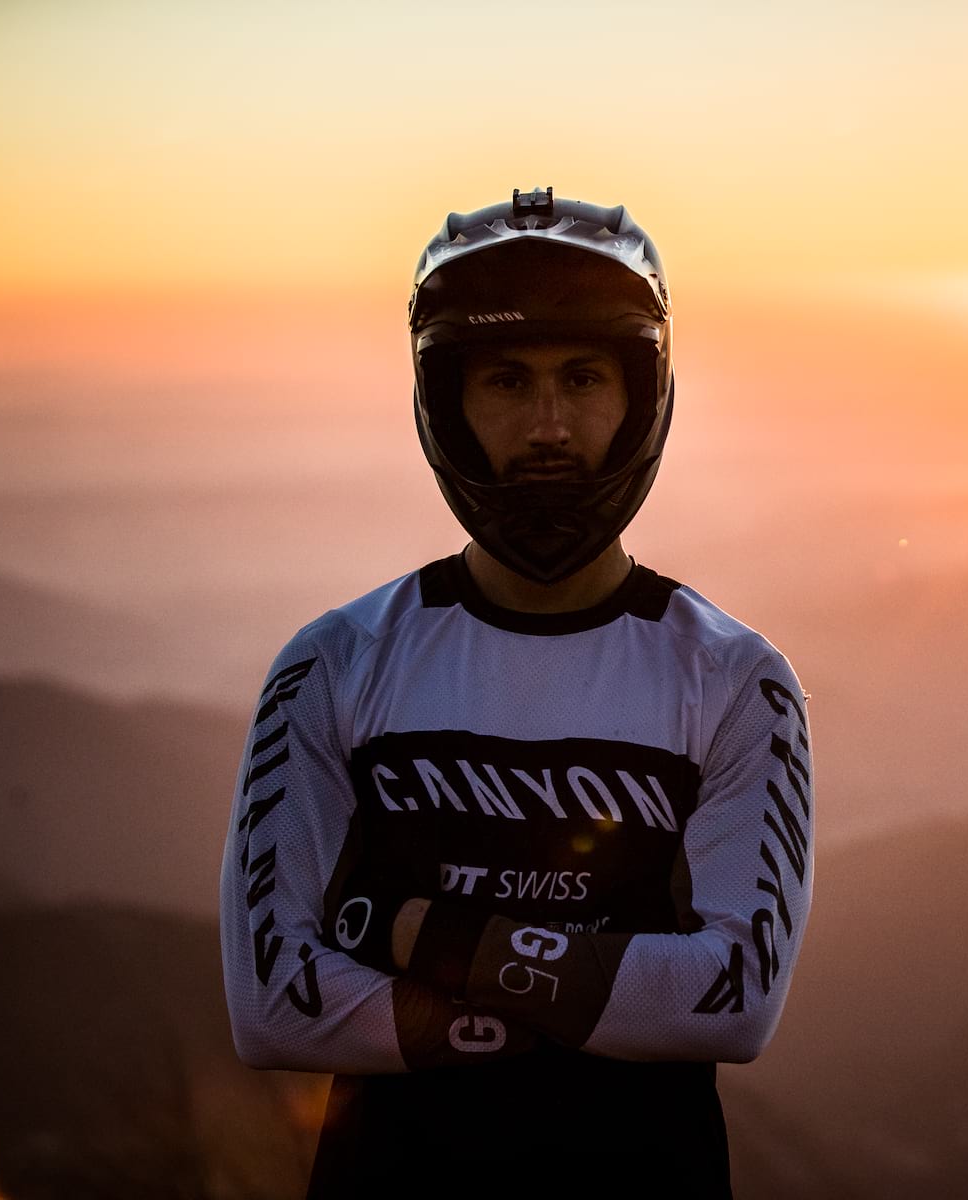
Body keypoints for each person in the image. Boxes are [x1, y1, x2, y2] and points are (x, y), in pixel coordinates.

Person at [218, 189, 814, 1196]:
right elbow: (272, 1006)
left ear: (642, 395)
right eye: (506, 380)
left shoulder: (737, 680)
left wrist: (412, 932)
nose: (547, 425)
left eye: (583, 377)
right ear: (446, 402)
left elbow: (732, 1002)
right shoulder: (331, 666)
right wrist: (585, 1000)